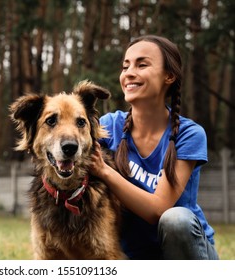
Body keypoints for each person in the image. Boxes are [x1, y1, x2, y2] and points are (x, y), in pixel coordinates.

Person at [89, 35, 219, 260]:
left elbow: (158, 210)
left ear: (169, 76)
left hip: (185, 257)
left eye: (142, 64)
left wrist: (104, 171)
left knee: (175, 220)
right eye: (125, 66)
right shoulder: (109, 126)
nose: (129, 72)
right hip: (131, 258)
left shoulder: (189, 134)